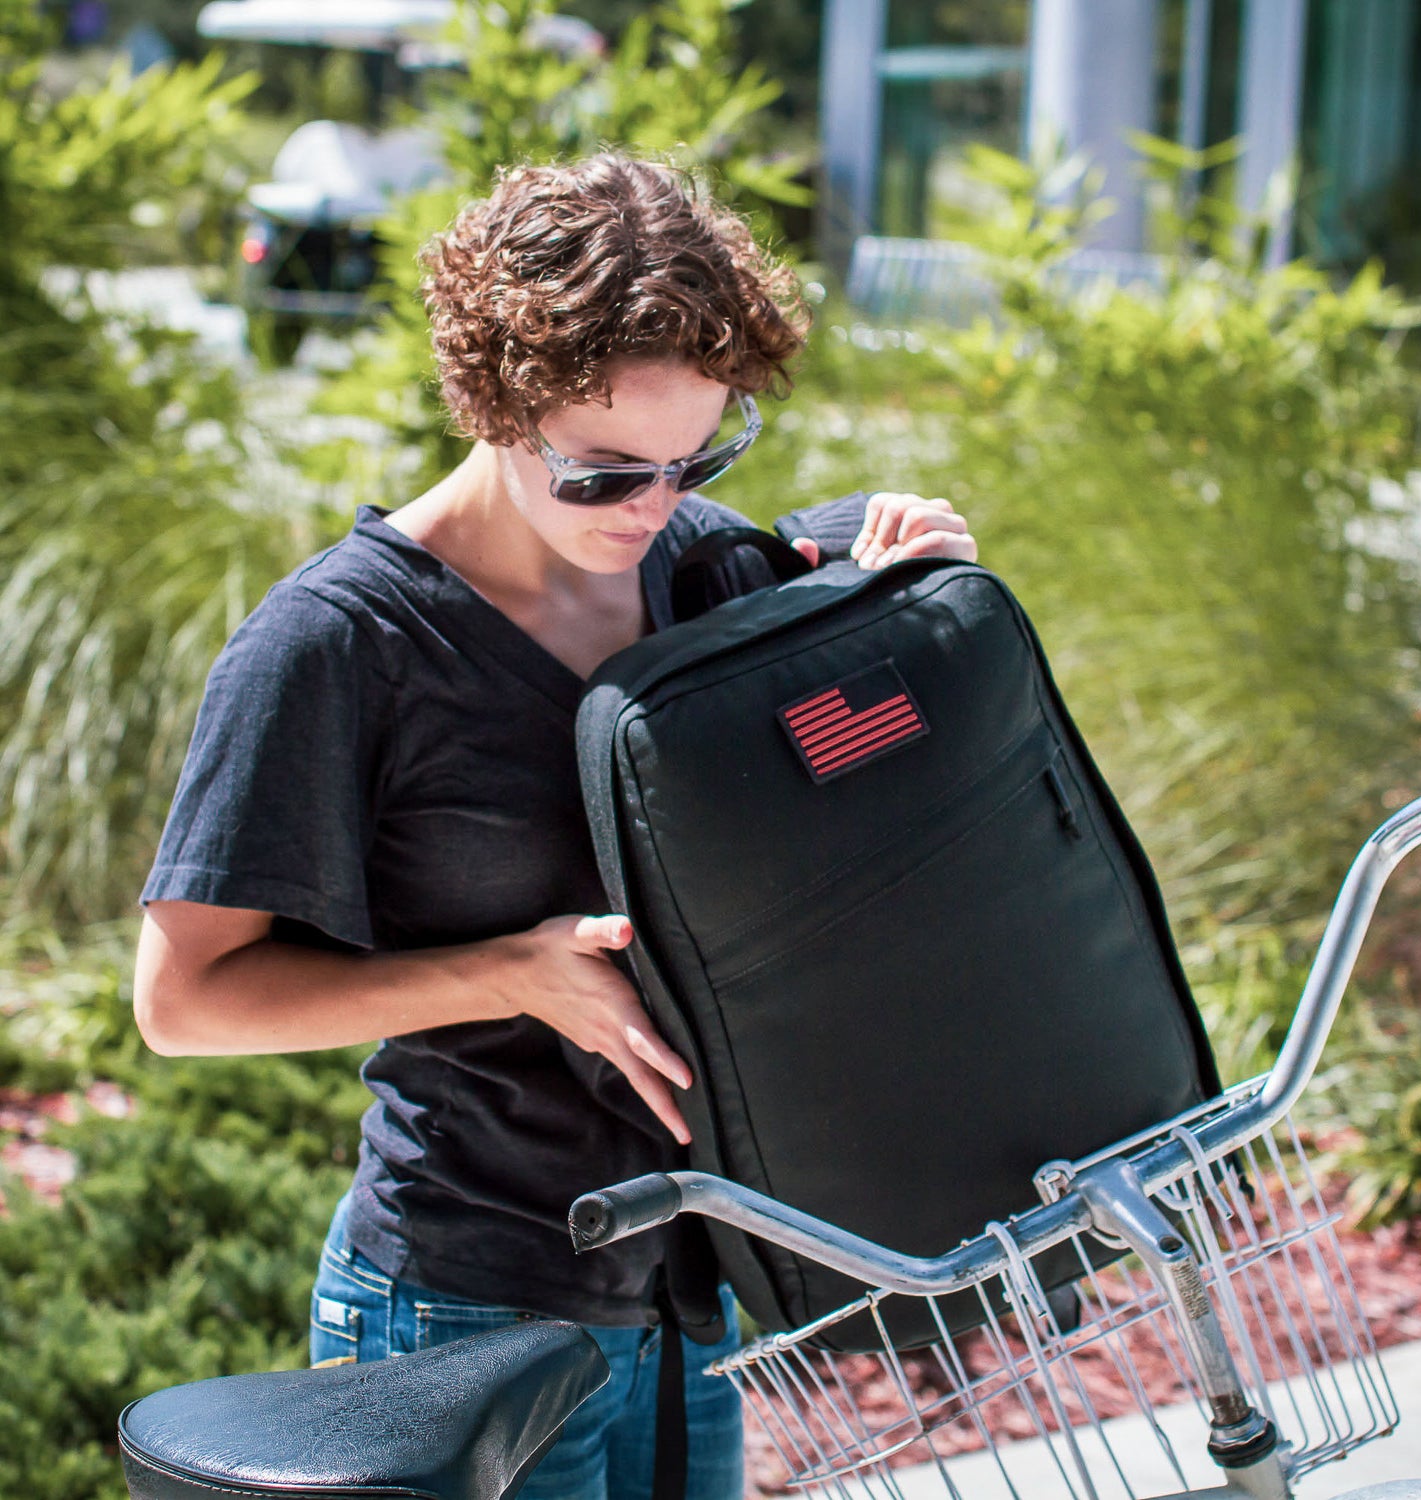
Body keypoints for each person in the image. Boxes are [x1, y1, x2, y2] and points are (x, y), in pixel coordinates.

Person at [133, 153, 978, 1499]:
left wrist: (908, 591)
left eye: (694, 454)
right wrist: (498, 974)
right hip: (461, 1309)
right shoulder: (336, 647)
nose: (651, 506)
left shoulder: (700, 566)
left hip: (687, 1294)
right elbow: (182, 1003)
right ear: (491, 399)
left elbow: (841, 777)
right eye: (603, 474)